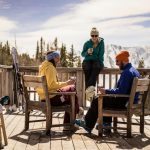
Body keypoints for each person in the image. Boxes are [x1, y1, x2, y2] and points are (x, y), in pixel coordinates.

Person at [75, 50, 140, 134]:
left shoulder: (127, 73)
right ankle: (106, 124)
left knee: (97, 100)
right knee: (106, 98)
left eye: (117, 61)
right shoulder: (134, 71)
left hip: (124, 103)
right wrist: (107, 92)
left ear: (123, 60)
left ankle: (87, 124)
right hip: (129, 101)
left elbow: (121, 91)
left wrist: (106, 90)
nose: (116, 64)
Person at [36, 50, 82, 132]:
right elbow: (52, 85)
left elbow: (50, 85)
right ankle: (75, 116)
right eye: (57, 58)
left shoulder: (43, 67)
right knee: (72, 90)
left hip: (44, 98)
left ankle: (71, 120)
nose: (59, 60)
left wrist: (65, 84)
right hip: (52, 99)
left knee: (71, 95)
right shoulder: (50, 68)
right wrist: (66, 83)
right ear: (53, 58)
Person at [81, 27, 104, 100]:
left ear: (98, 35)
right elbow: (82, 54)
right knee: (87, 67)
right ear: (90, 36)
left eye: (95, 35)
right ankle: (90, 93)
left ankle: (88, 92)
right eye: (92, 36)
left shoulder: (101, 43)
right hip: (87, 61)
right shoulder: (87, 43)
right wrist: (87, 52)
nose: (94, 37)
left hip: (96, 61)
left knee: (96, 66)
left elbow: (101, 54)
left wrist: (101, 64)